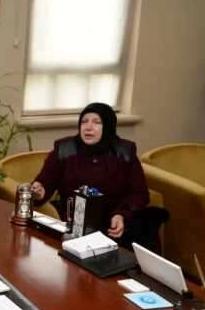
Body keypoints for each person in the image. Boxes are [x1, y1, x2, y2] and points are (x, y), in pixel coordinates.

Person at [30, 102, 166, 251]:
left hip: (113, 224)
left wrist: (121, 215)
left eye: (97, 122)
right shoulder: (64, 149)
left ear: (108, 126)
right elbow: (45, 181)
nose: (88, 127)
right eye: (84, 121)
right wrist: (40, 190)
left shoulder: (125, 152)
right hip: (75, 224)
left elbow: (139, 193)